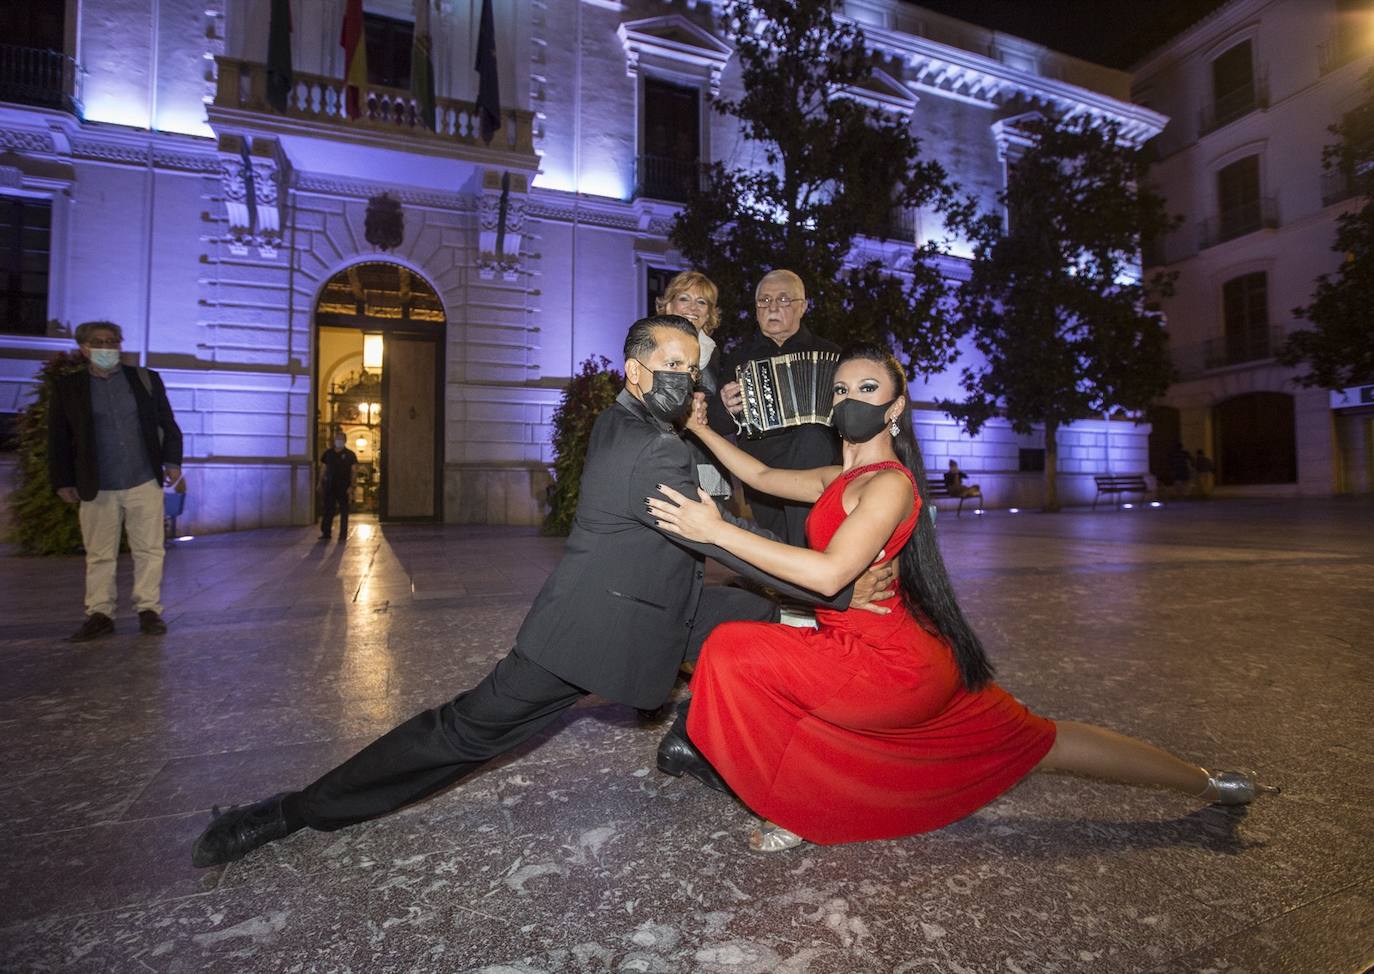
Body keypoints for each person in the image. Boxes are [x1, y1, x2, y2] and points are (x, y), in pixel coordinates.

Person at [189, 315, 896, 868]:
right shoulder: (650, 446)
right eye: (671, 367)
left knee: (760, 625)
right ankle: (294, 812)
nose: (687, 378)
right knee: (462, 732)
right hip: (592, 628)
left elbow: (712, 539)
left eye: (692, 367)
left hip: (659, 603)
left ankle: (731, 755)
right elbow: (716, 538)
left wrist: (809, 593)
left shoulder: (635, 421)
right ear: (636, 372)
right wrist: (831, 585)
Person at [648, 342, 1277, 853]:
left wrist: (716, 530)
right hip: (897, 648)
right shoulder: (840, 479)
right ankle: (1214, 785)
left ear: (895, 408)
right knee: (1042, 740)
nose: (848, 400)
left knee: (734, 648)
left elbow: (827, 575)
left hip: (888, 667)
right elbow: (757, 476)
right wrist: (702, 430)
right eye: (840, 390)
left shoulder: (889, 486)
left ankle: (796, 802)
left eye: (866, 390)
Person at [48, 321, 184, 641]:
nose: (107, 347)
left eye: (112, 342)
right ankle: (100, 613)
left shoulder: (145, 380)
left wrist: (172, 461)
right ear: (84, 348)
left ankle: (148, 609)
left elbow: (169, 423)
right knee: (99, 553)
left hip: (143, 479)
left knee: (150, 549)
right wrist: (63, 480)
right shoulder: (69, 388)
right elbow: (58, 438)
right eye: (99, 342)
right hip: (97, 484)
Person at [713, 270, 840, 546]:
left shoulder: (831, 354)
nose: (771, 307)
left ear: (802, 306)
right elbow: (719, 426)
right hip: (762, 468)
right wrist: (725, 407)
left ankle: (803, 566)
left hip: (815, 465)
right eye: (764, 300)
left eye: (783, 299)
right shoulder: (738, 359)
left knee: (812, 436)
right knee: (784, 541)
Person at [656, 271, 729, 497]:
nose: (692, 308)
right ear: (669, 306)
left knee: (712, 522)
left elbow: (719, 416)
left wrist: (727, 406)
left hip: (706, 455)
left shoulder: (713, 353)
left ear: (708, 314)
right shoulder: (649, 346)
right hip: (663, 454)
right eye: (684, 299)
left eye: (701, 302)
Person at [318, 433, 358, 540]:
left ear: (345, 441)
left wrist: (352, 486)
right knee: (328, 510)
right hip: (330, 486)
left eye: (341, 439)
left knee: (344, 511)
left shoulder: (350, 455)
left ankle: (343, 534)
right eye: (337, 439)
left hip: (344, 487)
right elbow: (323, 469)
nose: (338, 441)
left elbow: (354, 471)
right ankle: (326, 533)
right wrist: (320, 482)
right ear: (334, 440)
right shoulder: (328, 453)